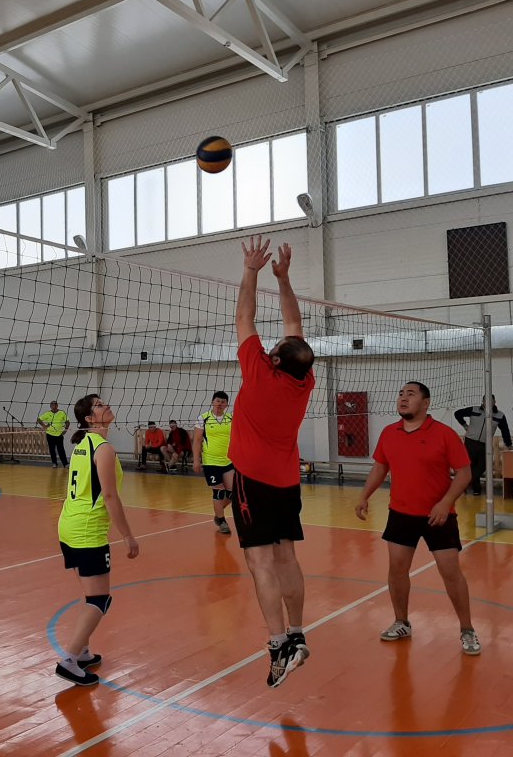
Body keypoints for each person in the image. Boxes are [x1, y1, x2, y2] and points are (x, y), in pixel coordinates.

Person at [229, 236, 315, 688]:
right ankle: (298, 632)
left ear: (275, 359)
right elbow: (294, 323)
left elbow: (244, 317)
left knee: (260, 562)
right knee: (287, 557)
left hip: (253, 482)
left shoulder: (260, 373)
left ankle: (279, 642)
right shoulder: (304, 380)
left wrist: (252, 271)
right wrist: (282, 280)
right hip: (286, 482)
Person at [356, 381, 481, 656]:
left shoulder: (444, 434)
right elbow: (380, 467)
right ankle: (402, 622)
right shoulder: (389, 433)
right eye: (401, 394)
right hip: (401, 513)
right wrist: (364, 496)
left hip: (439, 516)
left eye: (410, 394)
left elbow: (464, 474)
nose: (403, 398)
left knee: (450, 573)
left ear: (425, 403)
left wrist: (445, 503)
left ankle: (467, 629)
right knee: (397, 570)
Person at [55, 393, 139, 686]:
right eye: (99, 405)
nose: (107, 405)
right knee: (99, 599)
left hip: (69, 525)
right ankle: (68, 660)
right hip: (87, 530)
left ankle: (82, 652)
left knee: (90, 594)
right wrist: (128, 536)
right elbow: (110, 496)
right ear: (90, 418)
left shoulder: (82, 445)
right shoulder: (103, 449)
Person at [193, 391, 235, 535]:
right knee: (219, 491)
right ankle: (222, 521)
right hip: (211, 461)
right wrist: (196, 460)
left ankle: (218, 513)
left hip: (228, 461)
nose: (220, 404)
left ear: (227, 404)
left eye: (223, 402)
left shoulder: (231, 418)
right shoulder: (203, 418)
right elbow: (197, 441)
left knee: (232, 493)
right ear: (212, 402)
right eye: (217, 401)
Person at [454, 396, 512, 495]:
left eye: (491, 401)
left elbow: (505, 430)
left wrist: (509, 444)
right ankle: (476, 489)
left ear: (494, 402)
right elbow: (457, 413)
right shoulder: (474, 409)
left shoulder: (499, 415)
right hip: (470, 441)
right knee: (470, 466)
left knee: (482, 466)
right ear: (483, 401)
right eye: (486, 400)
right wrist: (465, 425)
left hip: (485, 444)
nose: (488, 403)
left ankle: (465, 483)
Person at [38, 401, 70, 468]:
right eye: (52, 405)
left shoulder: (62, 413)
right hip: (50, 434)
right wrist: (44, 426)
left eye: (55, 405)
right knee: (52, 449)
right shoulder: (47, 413)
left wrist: (65, 430)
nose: (53, 407)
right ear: (50, 406)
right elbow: (39, 419)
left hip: (59, 434)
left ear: (57, 406)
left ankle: (65, 464)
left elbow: (67, 422)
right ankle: (54, 463)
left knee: (61, 450)